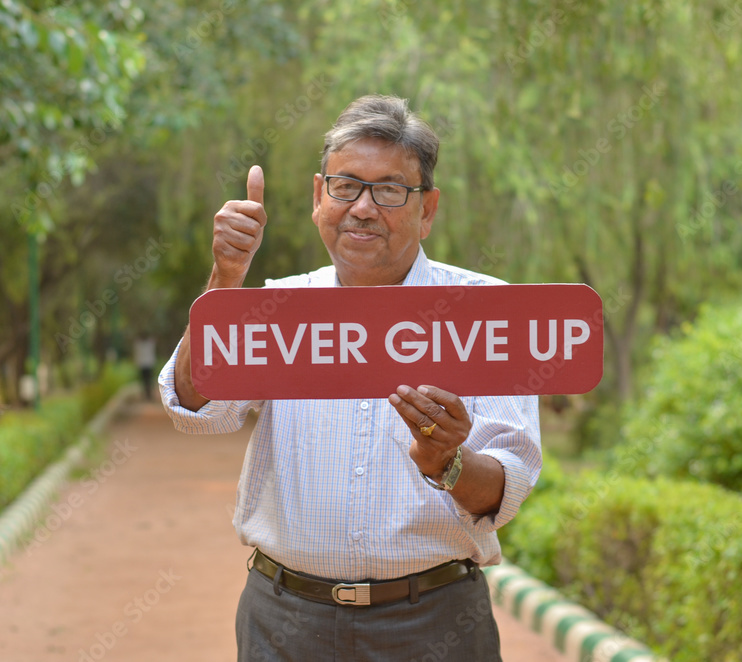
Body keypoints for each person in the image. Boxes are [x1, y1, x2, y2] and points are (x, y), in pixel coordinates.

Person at [160, 94, 541, 661]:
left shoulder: (486, 313)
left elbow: (506, 488)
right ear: (319, 197)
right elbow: (196, 409)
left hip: (435, 624)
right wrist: (226, 277)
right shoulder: (274, 308)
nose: (363, 207)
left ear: (428, 208)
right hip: (284, 621)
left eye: (390, 190)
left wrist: (449, 462)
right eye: (345, 186)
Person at [134, 333, 156, 401]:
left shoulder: (141, 345)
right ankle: (147, 394)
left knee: (147, 380)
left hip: (146, 364)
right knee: (146, 381)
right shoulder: (146, 344)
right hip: (146, 364)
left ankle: (148, 394)